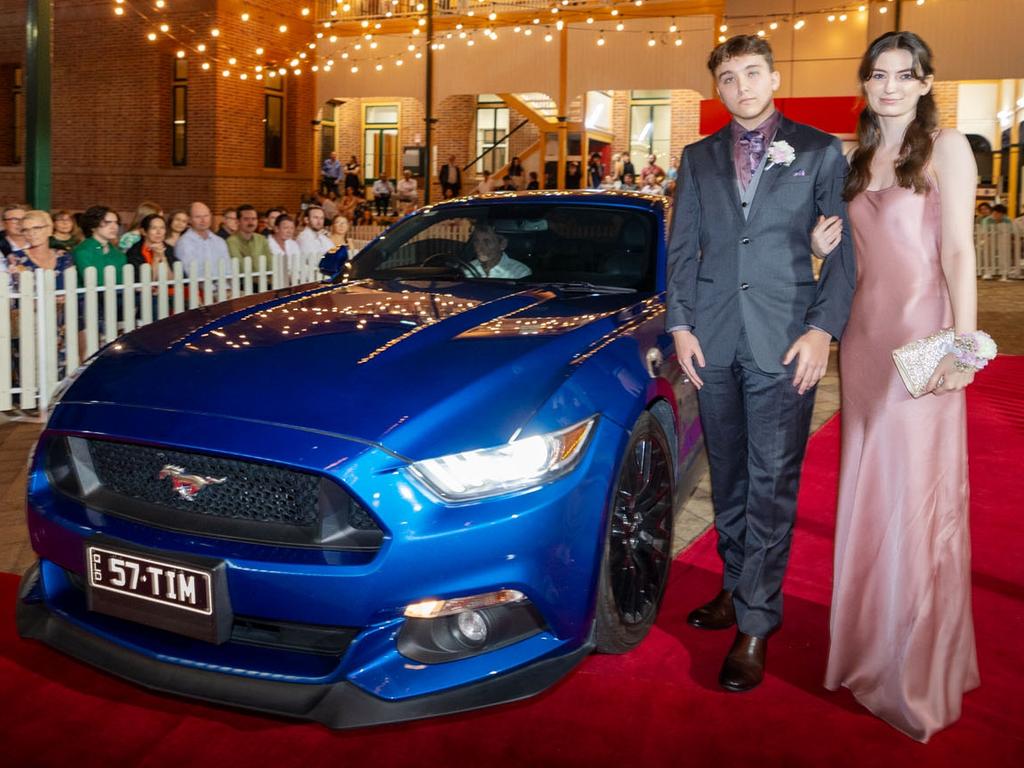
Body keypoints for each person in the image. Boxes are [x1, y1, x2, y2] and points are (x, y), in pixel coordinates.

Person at [666, 34, 854, 693]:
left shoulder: (821, 151)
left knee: (771, 483)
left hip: (783, 341)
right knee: (731, 478)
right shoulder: (697, 158)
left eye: (752, 72)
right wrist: (681, 325)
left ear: (773, 78)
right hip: (712, 341)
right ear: (716, 89)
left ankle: (757, 622)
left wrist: (822, 331)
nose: (741, 85)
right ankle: (735, 587)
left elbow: (845, 258)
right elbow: (681, 250)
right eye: (728, 77)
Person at [818, 31, 988, 743]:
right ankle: (868, 650)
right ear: (865, 83)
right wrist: (817, 246)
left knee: (915, 498)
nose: (889, 86)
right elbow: (851, 258)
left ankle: (914, 667)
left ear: (924, 83)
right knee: (871, 491)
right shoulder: (854, 158)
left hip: (923, 341)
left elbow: (956, 250)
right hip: (863, 342)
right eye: (878, 74)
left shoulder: (946, 147)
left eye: (904, 75)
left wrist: (966, 344)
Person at [12, 210, 74, 288]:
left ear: (49, 229)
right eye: (25, 230)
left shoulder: (64, 256)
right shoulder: (16, 258)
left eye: (37, 228)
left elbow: (71, 288)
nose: (31, 233)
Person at [72, 206, 127, 287]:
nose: (114, 227)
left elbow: (122, 282)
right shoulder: (82, 251)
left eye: (116, 222)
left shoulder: (119, 254)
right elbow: (96, 282)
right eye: (107, 222)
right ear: (93, 226)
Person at [175, 201, 229, 278]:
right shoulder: (184, 243)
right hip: (199, 289)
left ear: (210, 216)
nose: (203, 220)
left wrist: (228, 288)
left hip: (225, 287)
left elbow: (228, 269)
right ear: (189, 219)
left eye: (206, 216)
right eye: (198, 217)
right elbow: (191, 273)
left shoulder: (220, 241)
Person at [463, 222, 530, 278]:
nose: (479, 247)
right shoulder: (468, 269)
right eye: (476, 241)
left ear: (502, 244)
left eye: (487, 242)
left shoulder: (519, 272)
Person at [226, 204, 273, 272]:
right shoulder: (231, 242)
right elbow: (240, 267)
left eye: (254, 219)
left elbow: (270, 263)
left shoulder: (261, 239)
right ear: (238, 221)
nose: (251, 222)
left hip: (264, 280)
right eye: (246, 219)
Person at [268, 213, 301, 281]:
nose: (289, 231)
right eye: (286, 228)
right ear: (276, 228)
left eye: (292, 228)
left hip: (296, 281)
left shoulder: (293, 244)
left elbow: (299, 264)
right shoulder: (267, 244)